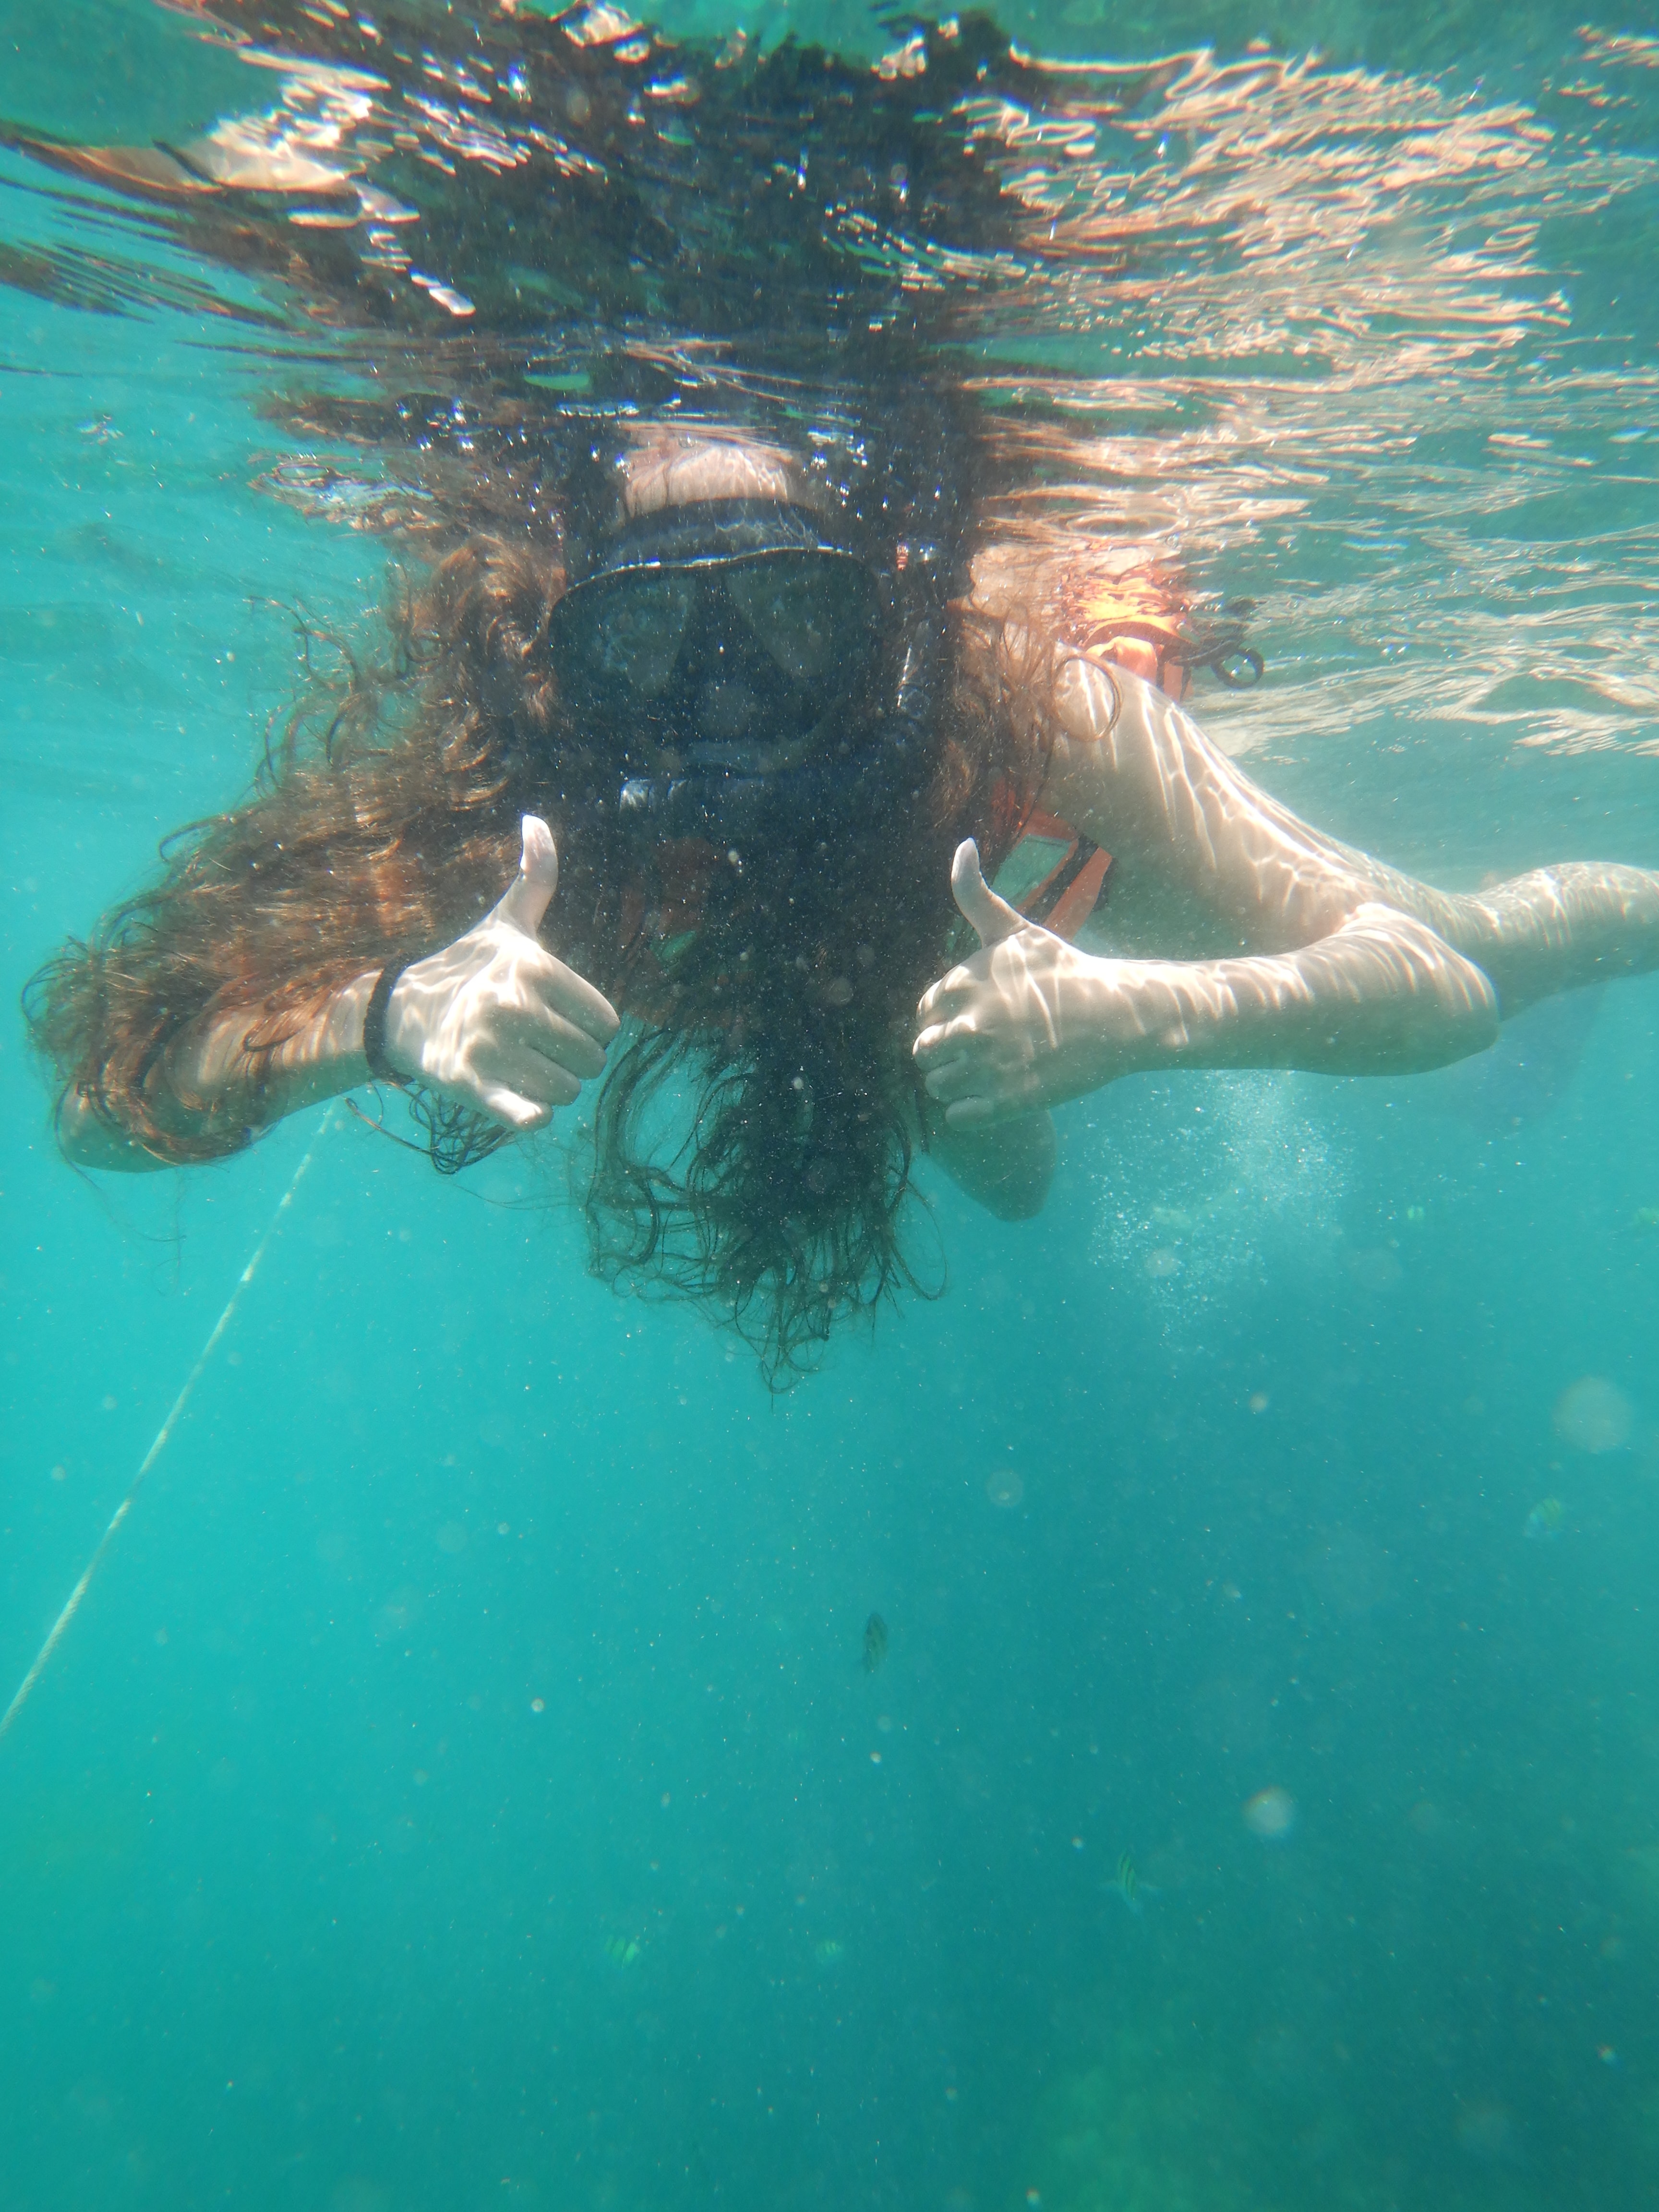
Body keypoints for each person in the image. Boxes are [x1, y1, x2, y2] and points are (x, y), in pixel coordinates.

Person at [28, 419, 1659, 1383]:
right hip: (912, 997)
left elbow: (1426, 983)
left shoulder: (1030, 707)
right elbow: (102, 1111)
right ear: (561, 653)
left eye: (792, 623)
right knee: (1008, 1185)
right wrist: (372, 1019)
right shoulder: (517, 786)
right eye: (651, 645)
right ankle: (1005, 1056)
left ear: (884, 624)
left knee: (1502, 945)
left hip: (1074, 901)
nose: (724, 695)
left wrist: (1138, 1017)